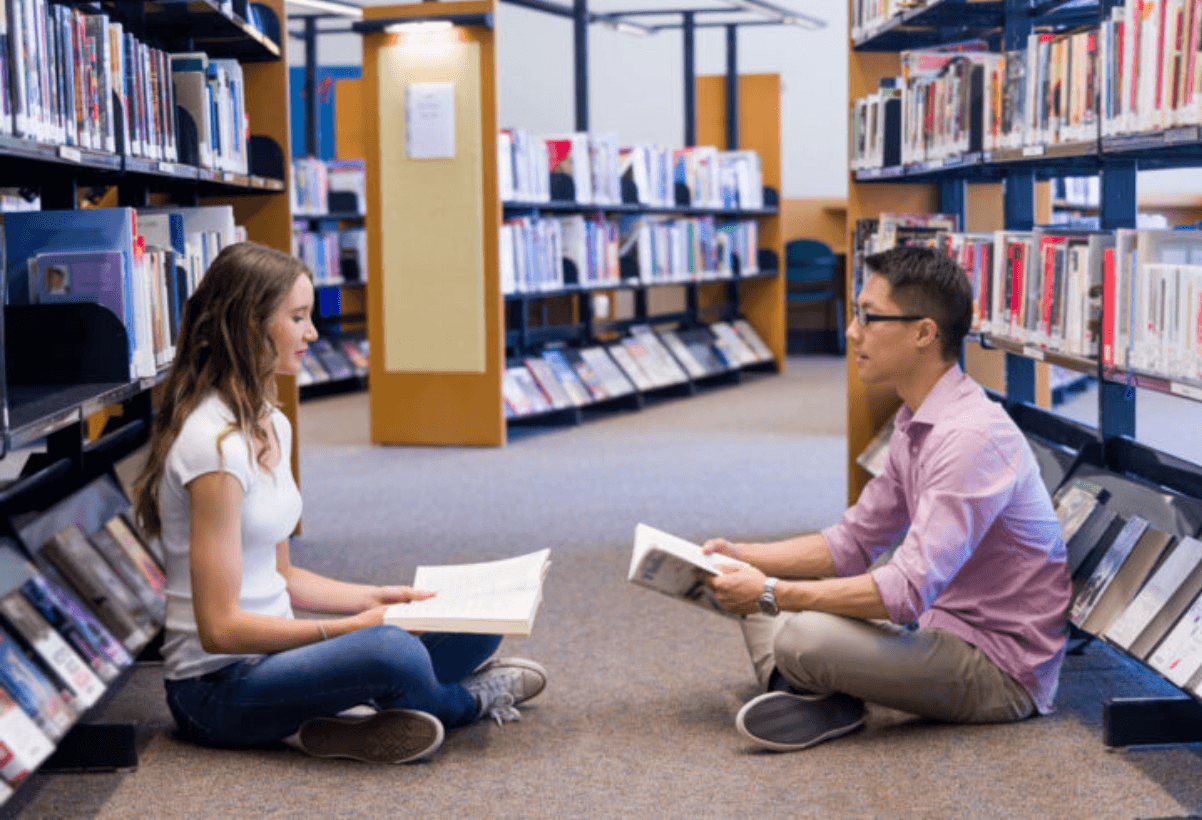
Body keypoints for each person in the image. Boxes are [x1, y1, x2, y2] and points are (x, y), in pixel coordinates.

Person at [133, 241, 546, 764]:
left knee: (470, 619)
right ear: (247, 324)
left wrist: (378, 598)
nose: (313, 333)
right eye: (298, 318)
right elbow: (219, 631)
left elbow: (283, 577)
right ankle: (463, 703)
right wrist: (353, 631)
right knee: (391, 651)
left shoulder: (271, 421)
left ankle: (338, 718)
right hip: (217, 690)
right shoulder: (212, 448)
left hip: (278, 657)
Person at [704, 245, 1071, 752]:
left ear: (923, 332)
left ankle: (809, 689)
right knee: (748, 591)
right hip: (934, 624)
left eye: (869, 317)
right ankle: (813, 696)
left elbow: (906, 590)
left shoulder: (971, 437)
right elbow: (853, 541)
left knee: (794, 631)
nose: (852, 331)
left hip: (996, 666)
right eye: (856, 314)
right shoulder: (916, 418)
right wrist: (745, 558)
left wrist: (772, 590)